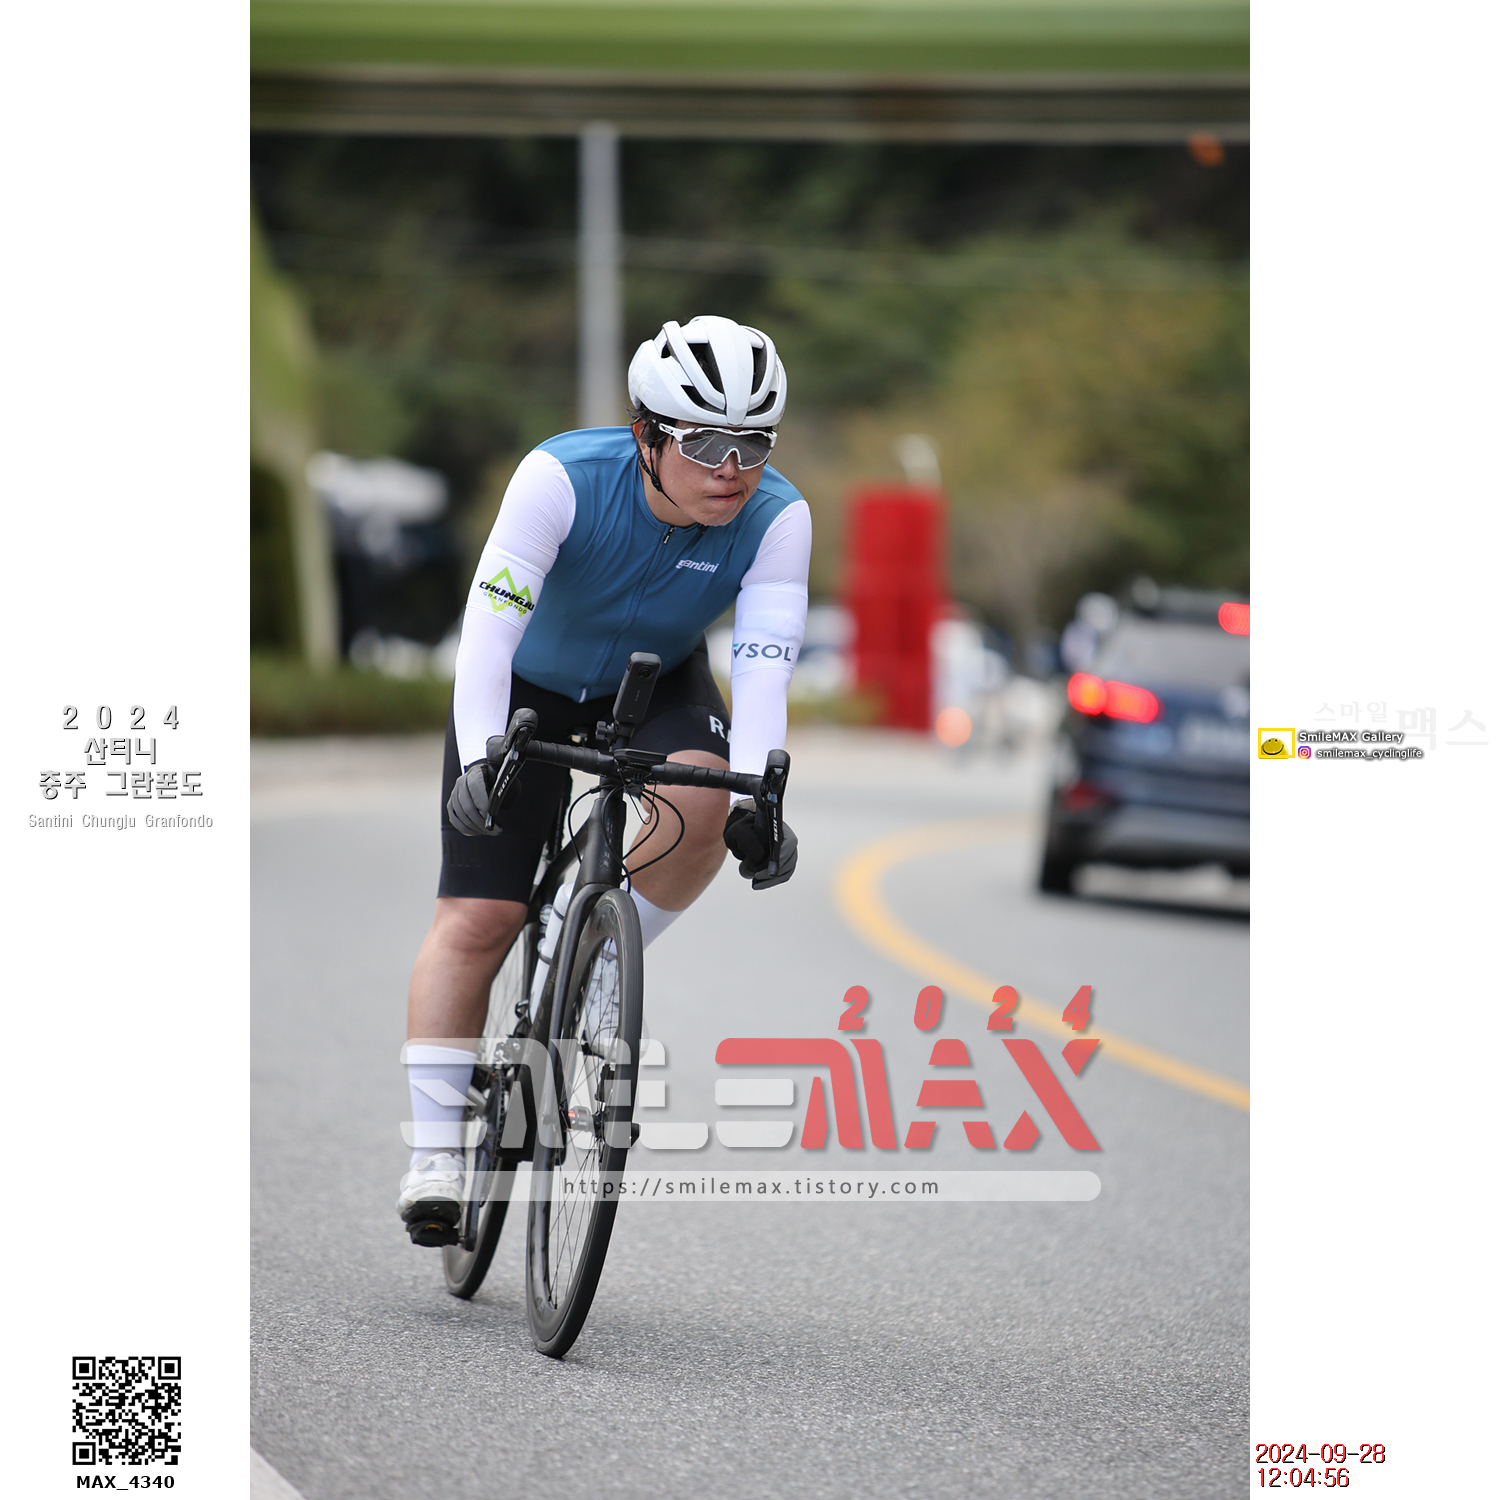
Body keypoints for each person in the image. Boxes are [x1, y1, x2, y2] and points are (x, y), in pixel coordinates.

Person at [398, 316, 809, 1235]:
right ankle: (433, 1153)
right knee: (478, 916)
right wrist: (480, 754)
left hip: (654, 682)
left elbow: (764, 671)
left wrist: (761, 797)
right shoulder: (560, 478)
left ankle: (584, 960)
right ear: (646, 436)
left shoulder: (779, 518)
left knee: (706, 800)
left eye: (753, 445)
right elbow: (489, 633)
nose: (732, 468)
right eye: (705, 443)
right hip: (525, 688)